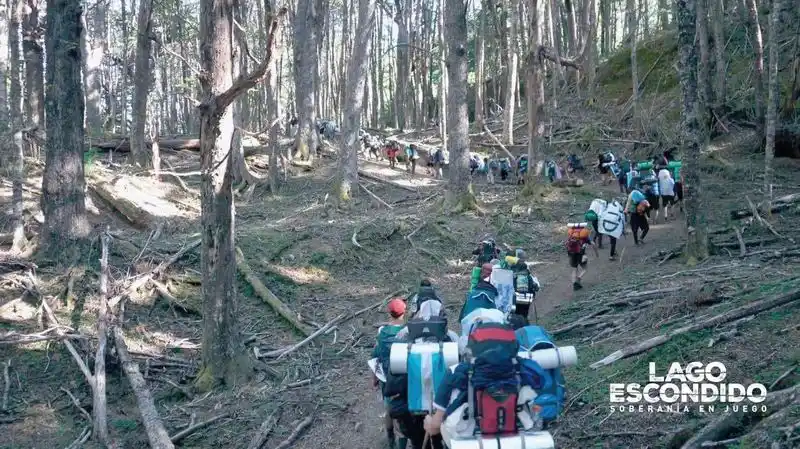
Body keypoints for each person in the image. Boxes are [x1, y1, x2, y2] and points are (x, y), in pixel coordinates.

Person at [372, 298, 409, 449]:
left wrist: (374, 377)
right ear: (404, 312)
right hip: (404, 376)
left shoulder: (382, 332)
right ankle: (403, 443)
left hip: (387, 377)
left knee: (388, 408)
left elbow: (376, 354)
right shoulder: (408, 330)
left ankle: (390, 438)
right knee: (404, 410)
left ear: (390, 313)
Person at [509, 249, 540, 320]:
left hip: (515, 298)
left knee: (515, 315)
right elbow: (535, 287)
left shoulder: (512, 272)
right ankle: (524, 325)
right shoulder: (528, 276)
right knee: (524, 315)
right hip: (527, 299)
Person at [566, 223, 598, 290]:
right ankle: (579, 278)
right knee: (585, 268)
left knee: (574, 269)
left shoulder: (572, 233)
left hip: (572, 253)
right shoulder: (584, 235)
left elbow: (567, 244)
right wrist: (596, 253)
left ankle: (574, 283)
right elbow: (593, 244)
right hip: (581, 254)